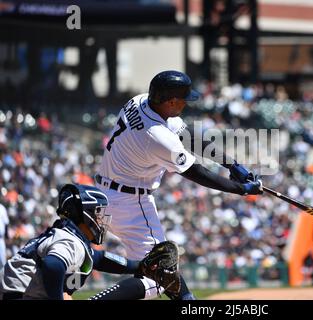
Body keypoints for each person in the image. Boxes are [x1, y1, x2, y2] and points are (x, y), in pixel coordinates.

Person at [93, 70, 262, 300]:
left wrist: (230, 164)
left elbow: (189, 137)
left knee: (158, 269)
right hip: (129, 203)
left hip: (104, 193)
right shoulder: (157, 136)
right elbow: (196, 172)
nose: (186, 103)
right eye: (183, 99)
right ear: (171, 101)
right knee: (160, 276)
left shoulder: (141, 100)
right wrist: (240, 189)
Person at [0, 184, 150, 300]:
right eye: (97, 213)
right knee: (134, 288)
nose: (100, 220)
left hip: (14, 295)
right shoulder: (70, 240)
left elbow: (100, 259)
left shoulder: (66, 235)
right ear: (85, 214)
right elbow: (53, 266)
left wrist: (141, 266)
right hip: (18, 296)